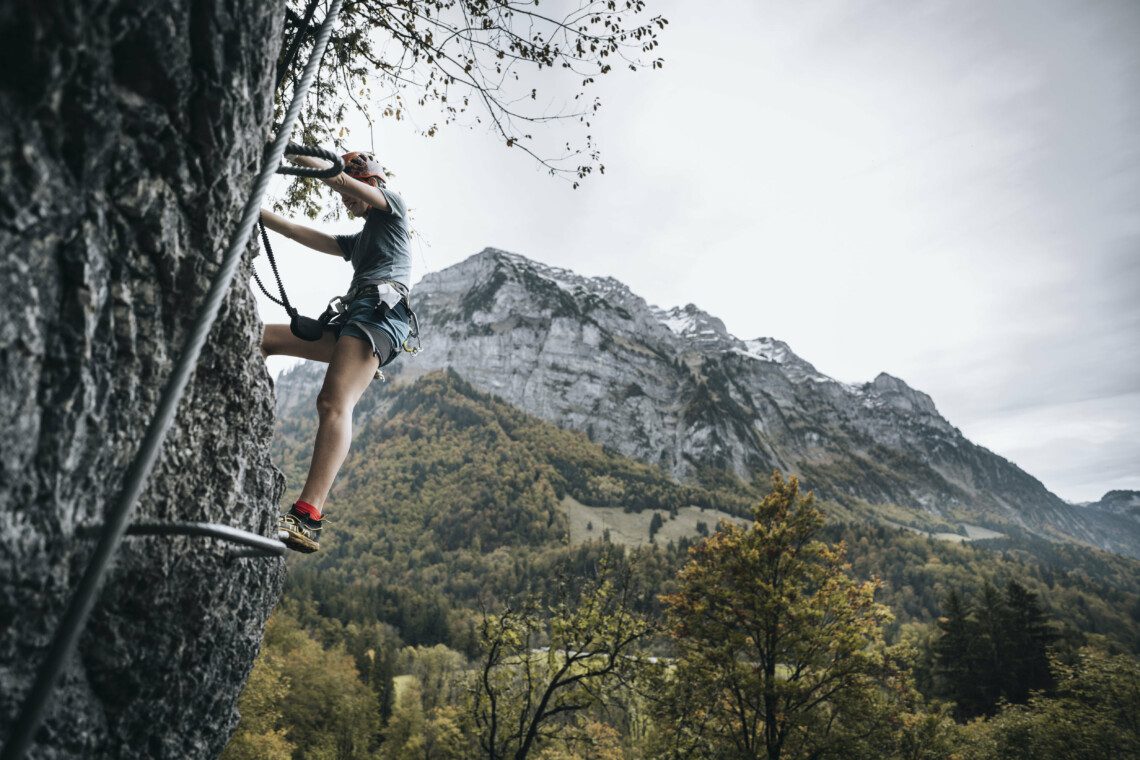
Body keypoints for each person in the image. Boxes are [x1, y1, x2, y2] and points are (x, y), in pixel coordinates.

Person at [259, 151, 414, 553]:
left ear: (373, 182)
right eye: (346, 196)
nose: (346, 201)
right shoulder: (360, 241)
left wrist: (292, 151)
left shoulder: (392, 207)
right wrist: (253, 209)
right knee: (263, 337)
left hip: (379, 316)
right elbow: (296, 231)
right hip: (354, 318)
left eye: (353, 189)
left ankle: (309, 514)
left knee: (333, 402)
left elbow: (341, 181)